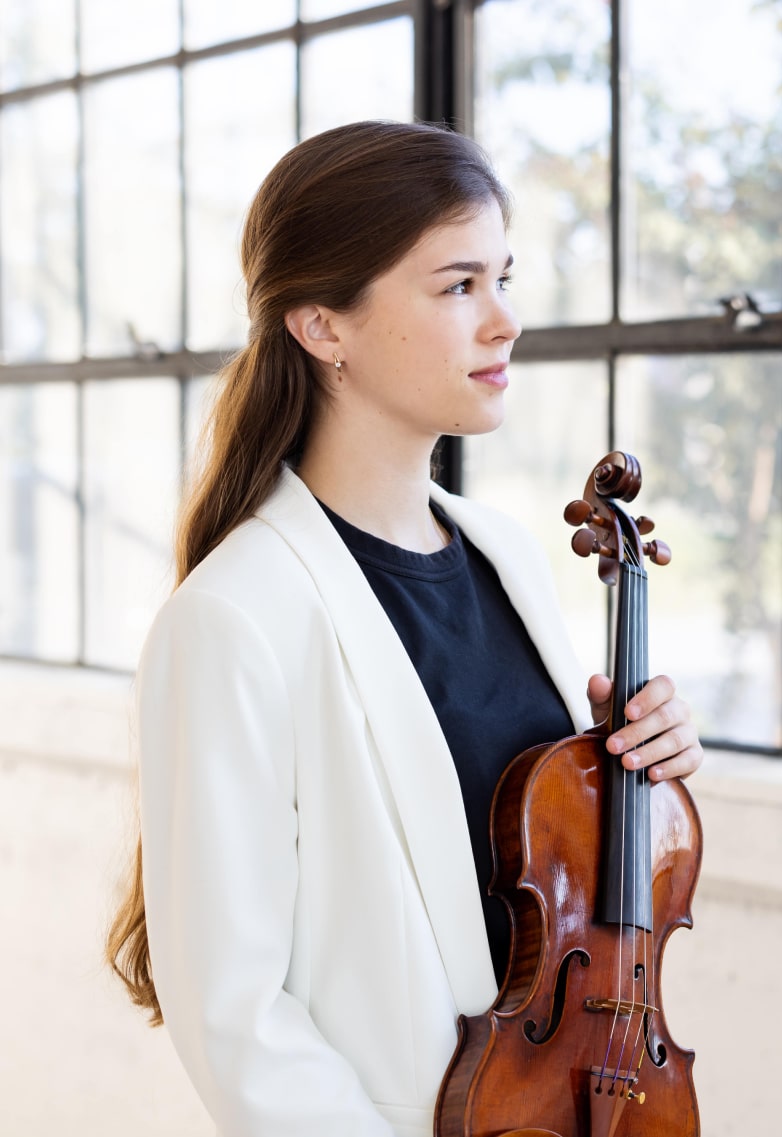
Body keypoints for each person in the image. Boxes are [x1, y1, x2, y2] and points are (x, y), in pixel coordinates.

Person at [106, 119, 702, 1137]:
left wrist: (645, 768)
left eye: (503, 278)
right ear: (321, 327)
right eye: (457, 286)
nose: (504, 320)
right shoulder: (231, 621)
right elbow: (235, 1022)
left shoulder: (507, 557)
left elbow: (543, 895)